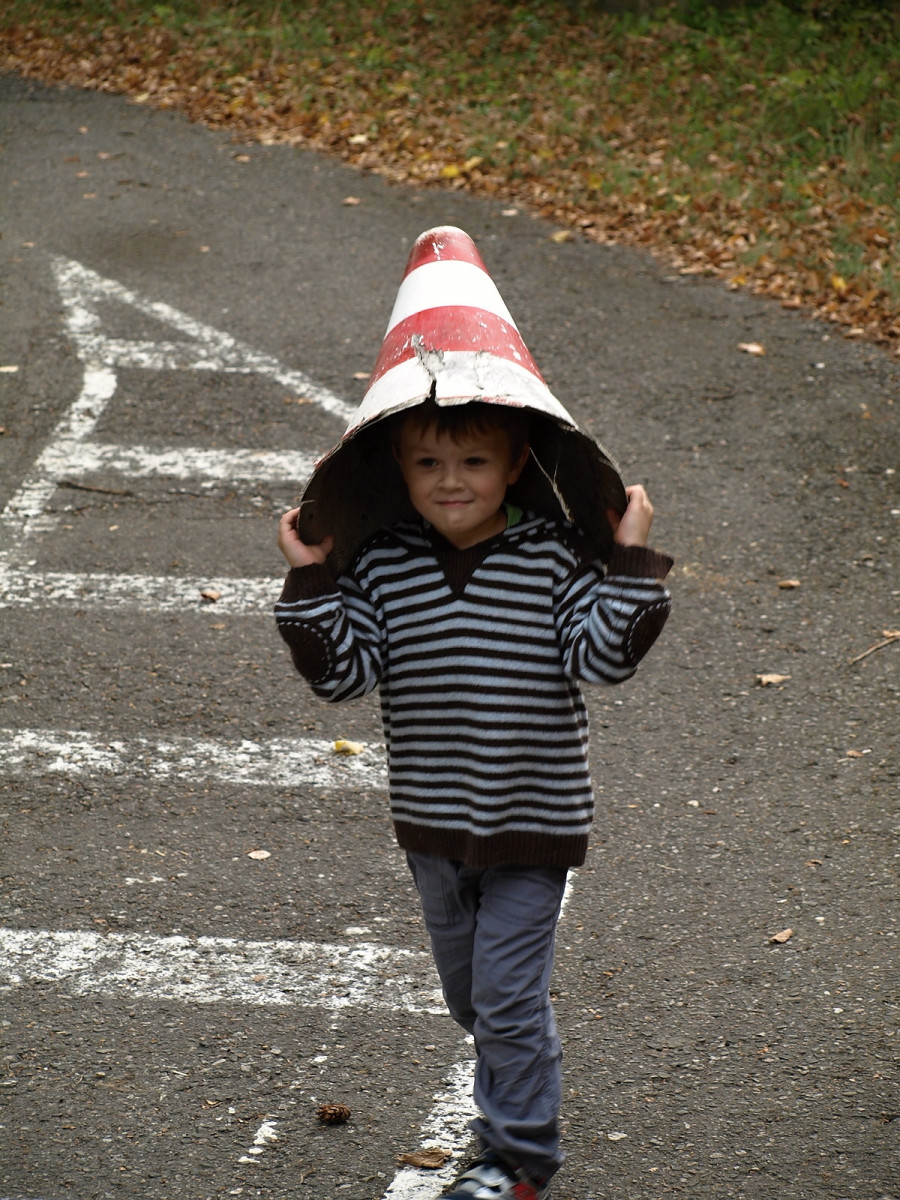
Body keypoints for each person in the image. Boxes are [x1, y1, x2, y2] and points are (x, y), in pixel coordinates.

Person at [274, 396, 673, 1200]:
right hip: (432, 828)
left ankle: (518, 1159)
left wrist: (630, 556)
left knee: (505, 997)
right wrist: (310, 576)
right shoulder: (384, 563)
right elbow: (342, 676)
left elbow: (604, 659)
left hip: (535, 825)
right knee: (473, 998)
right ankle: (518, 1073)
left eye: (474, 462)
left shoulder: (553, 557)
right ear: (398, 468)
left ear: (516, 465)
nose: (450, 480)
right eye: (427, 462)